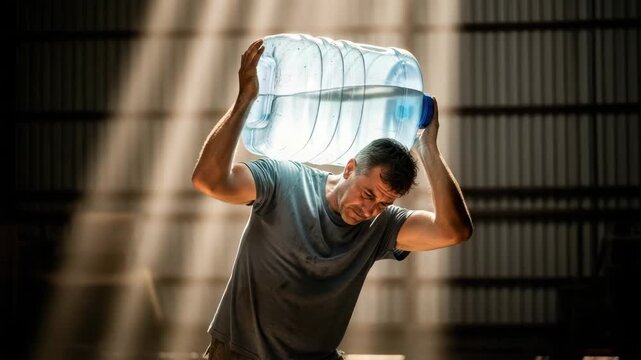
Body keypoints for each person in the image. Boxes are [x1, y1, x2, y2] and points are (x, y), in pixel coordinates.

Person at [192, 39, 473, 360]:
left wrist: (429, 150)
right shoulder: (285, 181)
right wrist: (244, 101)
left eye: (382, 203)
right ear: (350, 167)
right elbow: (209, 180)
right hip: (239, 354)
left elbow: (453, 231)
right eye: (368, 194)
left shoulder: (382, 226)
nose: (370, 210)